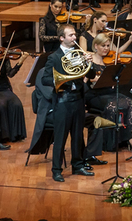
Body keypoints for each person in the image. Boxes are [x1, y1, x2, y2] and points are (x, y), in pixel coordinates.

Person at [40, 24, 93, 181]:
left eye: (75, 35)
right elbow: (45, 79)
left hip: (78, 99)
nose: (75, 38)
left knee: (78, 136)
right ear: (62, 38)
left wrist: (89, 62)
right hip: (63, 101)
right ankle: (56, 170)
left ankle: (77, 166)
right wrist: (64, 80)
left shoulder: (79, 54)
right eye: (71, 35)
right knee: (61, 137)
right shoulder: (54, 57)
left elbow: (90, 73)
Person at [86, 34, 132, 154]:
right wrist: (97, 77)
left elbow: (121, 76)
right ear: (96, 46)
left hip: (110, 92)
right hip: (95, 95)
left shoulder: (110, 61)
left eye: (108, 45)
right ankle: (113, 143)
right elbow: (86, 79)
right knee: (114, 106)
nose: (106, 48)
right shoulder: (89, 60)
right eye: (103, 46)